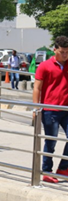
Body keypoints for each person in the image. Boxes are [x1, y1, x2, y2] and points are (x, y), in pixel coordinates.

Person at [33, 36, 68, 183]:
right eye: (62, 52)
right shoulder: (45, 66)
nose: (65, 55)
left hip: (66, 109)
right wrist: (36, 109)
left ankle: (63, 168)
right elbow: (37, 88)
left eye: (67, 52)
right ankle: (47, 171)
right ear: (55, 50)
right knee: (51, 142)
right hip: (49, 110)